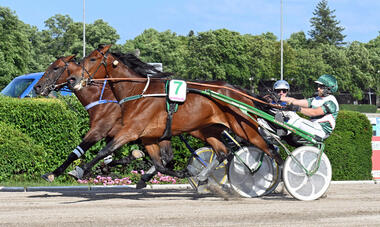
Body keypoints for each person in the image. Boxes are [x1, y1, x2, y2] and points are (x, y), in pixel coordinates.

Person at [280, 74, 339, 140]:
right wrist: (280, 98)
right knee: (290, 114)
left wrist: (298, 108)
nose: (318, 88)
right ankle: (278, 132)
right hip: (313, 126)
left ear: (328, 88)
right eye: (318, 86)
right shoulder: (316, 99)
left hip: (321, 131)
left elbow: (313, 113)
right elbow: (295, 101)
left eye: (321, 87)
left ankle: (280, 136)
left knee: (298, 120)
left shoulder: (331, 102)